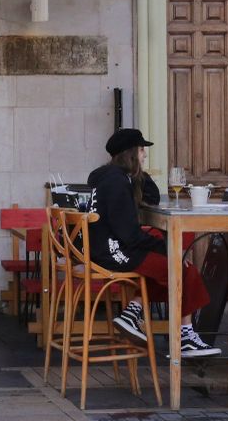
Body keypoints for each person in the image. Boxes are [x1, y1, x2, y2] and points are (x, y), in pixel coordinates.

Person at [87, 128, 221, 358]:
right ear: (130, 153)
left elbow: (153, 196)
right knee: (180, 268)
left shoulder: (112, 177)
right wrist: (171, 251)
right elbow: (130, 235)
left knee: (174, 263)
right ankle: (185, 335)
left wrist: (139, 173)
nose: (145, 155)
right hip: (113, 252)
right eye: (141, 151)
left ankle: (134, 310)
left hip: (105, 247)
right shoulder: (117, 184)